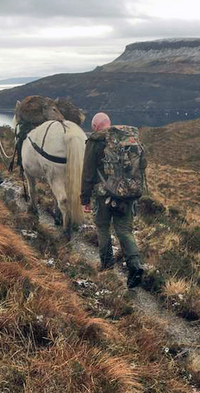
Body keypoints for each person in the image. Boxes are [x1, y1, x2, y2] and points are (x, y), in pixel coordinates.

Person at [81, 112, 145, 288]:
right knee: (124, 230)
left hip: (104, 196)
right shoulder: (127, 139)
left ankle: (107, 265)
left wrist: (84, 198)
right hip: (128, 194)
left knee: (102, 227)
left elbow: (87, 172)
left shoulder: (95, 140)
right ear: (109, 123)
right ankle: (135, 266)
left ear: (95, 126)